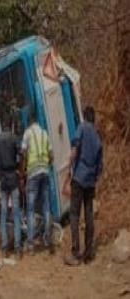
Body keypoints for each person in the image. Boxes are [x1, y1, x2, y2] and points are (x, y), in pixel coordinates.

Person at [65, 106, 103, 266]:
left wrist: (69, 166)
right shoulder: (97, 138)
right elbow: (100, 166)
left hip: (79, 178)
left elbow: (75, 147)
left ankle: (75, 253)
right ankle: (88, 253)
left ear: (85, 117)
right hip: (90, 182)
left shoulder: (82, 127)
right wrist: (93, 178)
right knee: (88, 215)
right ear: (93, 119)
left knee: (74, 215)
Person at [20, 111, 54, 255]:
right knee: (46, 207)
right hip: (45, 172)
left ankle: (31, 245)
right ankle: (47, 241)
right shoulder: (45, 133)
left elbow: (22, 153)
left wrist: (22, 172)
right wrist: (47, 165)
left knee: (31, 209)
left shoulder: (27, 133)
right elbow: (51, 155)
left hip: (33, 173)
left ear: (29, 123)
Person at [0, 117, 22, 259]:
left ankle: (4, 249)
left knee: (3, 214)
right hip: (13, 179)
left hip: (3, 180)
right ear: (11, 126)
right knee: (16, 213)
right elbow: (21, 155)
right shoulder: (14, 139)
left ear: (2, 126)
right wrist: (20, 171)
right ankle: (18, 249)